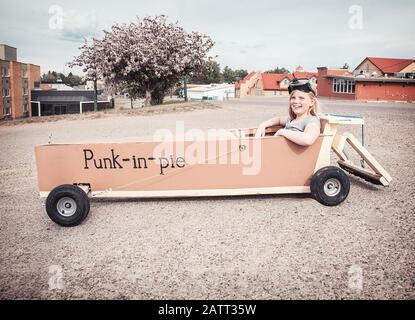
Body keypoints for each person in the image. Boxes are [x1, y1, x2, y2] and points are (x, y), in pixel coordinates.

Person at [256, 78, 321, 146]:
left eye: (301, 98)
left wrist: (282, 131)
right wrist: (263, 125)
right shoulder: (292, 119)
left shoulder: (311, 121)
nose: (296, 101)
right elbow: (279, 119)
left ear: (311, 102)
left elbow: (308, 139)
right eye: (293, 98)